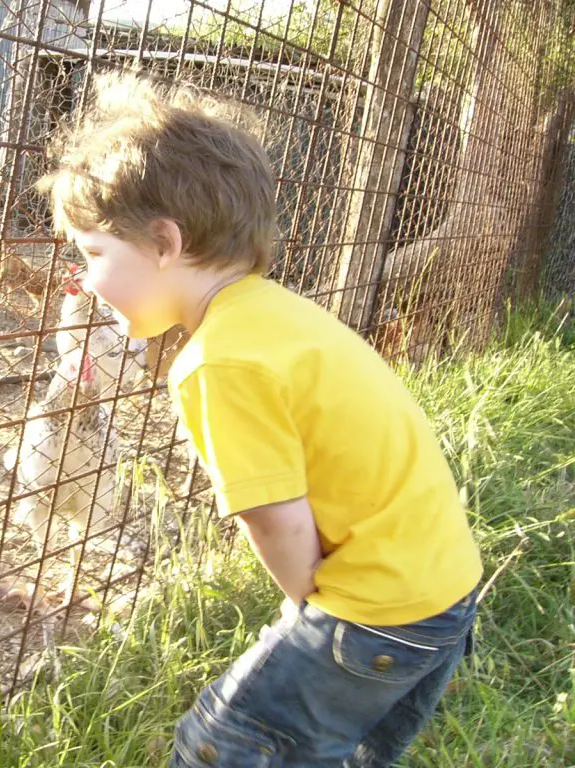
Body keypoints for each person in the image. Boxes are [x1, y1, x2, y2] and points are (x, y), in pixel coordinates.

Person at [37, 68, 483, 767]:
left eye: (94, 254)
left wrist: (304, 612)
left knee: (226, 745)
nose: (87, 280)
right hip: (443, 592)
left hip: (374, 611)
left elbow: (275, 516)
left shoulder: (219, 361)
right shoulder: (279, 315)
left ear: (164, 243)